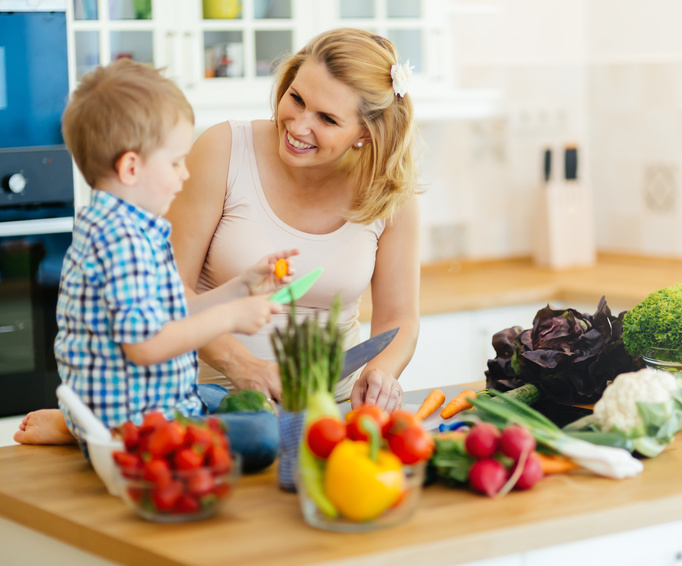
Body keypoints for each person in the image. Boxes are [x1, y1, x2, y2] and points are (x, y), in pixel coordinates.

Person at [14, 59, 297, 472]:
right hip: (136, 431)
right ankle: (87, 434)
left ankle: (79, 427)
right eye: (176, 161)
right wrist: (230, 318)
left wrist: (239, 289)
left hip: (158, 401)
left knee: (238, 403)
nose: (185, 175)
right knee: (263, 435)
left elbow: (166, 311)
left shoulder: (129, 226)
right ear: (131, 167)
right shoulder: (122, 240)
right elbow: (145, 347)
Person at [166, 28, 421, 413]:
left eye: (327, 119)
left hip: (330, 409)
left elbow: (399, 317)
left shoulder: (387, 190)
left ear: (365, 133)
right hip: (210, 402)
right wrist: (244, 367)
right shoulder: (224, 150)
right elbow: (167, 292)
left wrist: (382, 371)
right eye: (296, 98)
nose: (299, 126)